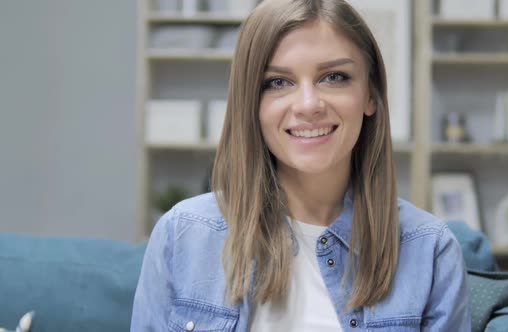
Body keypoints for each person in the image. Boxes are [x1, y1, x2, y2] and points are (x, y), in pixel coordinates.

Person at [131, 0, 471, 331]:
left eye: (334, 77)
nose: (308, 105)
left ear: (370, 95)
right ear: (251, 102)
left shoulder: (431, 251)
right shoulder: (181, 234)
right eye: (278, 82)